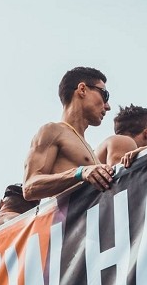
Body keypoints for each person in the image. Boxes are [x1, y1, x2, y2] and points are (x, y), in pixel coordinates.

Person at [23, 67, 114, 200]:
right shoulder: (52, 131)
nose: (108, 106)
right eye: (105, 95)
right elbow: (29, 187)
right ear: (82, 89)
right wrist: (79, 173)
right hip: (65, 219)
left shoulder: (88, 148)